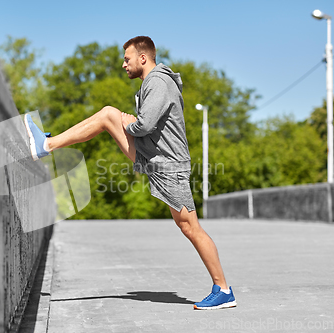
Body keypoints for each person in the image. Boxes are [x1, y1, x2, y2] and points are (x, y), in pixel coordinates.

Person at [24, 36, 236, 310]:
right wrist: (127, 121)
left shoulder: (158, 81)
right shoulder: (154, 82)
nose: (123, 64)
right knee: (107, 116)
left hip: (169, 166)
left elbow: (146, 124)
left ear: (143, 58)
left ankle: (223, 289)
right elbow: (148, 123)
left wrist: (129, 123)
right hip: (156, 158)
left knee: (190, 227)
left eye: (127, 59)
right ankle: (47, 144)